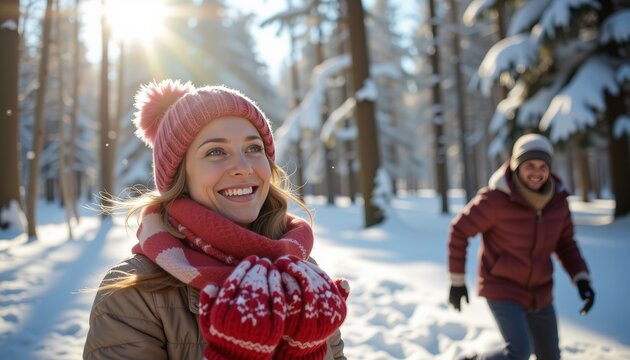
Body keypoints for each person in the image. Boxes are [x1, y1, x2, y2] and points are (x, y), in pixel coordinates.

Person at [83, 80, 349, 359]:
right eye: (215, 152)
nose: (243, 168)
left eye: (254, 148)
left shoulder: (302, 274)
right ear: (180, 176)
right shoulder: (132, 295)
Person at [447, 133, 595, 360]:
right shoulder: (495, 200)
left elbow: (565, 244)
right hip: (502, 286)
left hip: (540, 290)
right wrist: (457, 281)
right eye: (529, 165)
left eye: (542, 166)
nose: (536, 172)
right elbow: (459, 231)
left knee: (550, 356)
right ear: (516, 166)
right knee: (518, 353)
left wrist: (581, 278)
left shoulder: (558, 202)